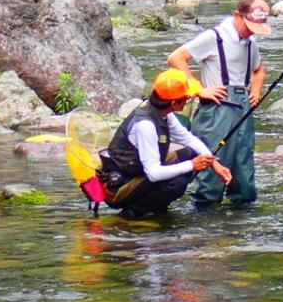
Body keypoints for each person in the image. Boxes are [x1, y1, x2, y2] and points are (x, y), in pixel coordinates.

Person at [167, 0, 271, 206]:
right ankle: (206, 224)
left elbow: (259, 71)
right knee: (211, 172)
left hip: (243, 111)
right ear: (237, 16)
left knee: (243, 169)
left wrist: (256, 92)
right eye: (250, 25)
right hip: (215, 112)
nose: (252, 31)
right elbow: (176, 57)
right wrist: (198, 89)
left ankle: (241, 222)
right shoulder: (213, 37)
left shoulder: (250, 43)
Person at [99, 69, 232, 219]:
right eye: (187, 97)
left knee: (193, 152)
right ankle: (133, 212)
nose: (190, 99)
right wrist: (192, 165)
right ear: (175, 103)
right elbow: (154, 173)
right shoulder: (145, 125)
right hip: (120, 186)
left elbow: (187, 138)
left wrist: (214, 163)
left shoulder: (162, 112)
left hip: (136, 170)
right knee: (178, 183)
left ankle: (156, 204)